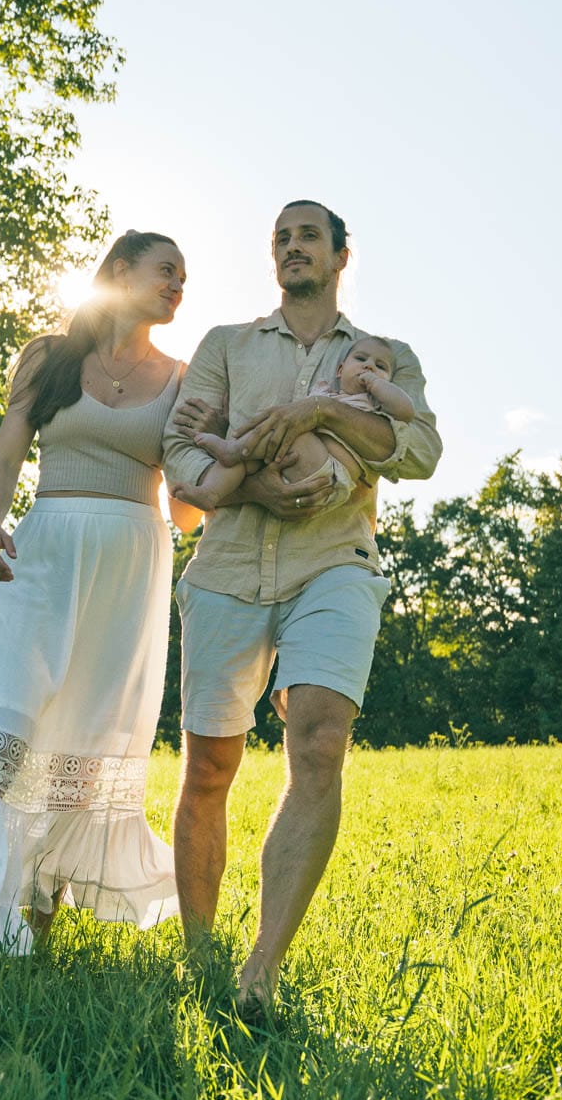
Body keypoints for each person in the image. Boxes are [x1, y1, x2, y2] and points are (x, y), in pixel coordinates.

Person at [0, 230, 198, 993]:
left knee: (80, 761)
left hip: (129, 570)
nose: (178, 286)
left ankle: (33, 958)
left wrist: (238, 477)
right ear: (120, 272)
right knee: (1, 746)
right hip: (42, 559)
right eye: (166, 272)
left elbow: (184, 509)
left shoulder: (183, 381)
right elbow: (9, 449)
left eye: (186, 279)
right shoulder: (49, 358)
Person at [163, 200, 441, 1015]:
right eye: (280, 237)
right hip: (227, 567)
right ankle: (200, 956)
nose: (291, 247)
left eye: (307, 235)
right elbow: (180, 449)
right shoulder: (223, 346)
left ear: (341, 255)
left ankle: (261, 974)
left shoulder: (384, 357)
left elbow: (419, 449)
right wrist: (257, 483)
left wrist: (322, 411)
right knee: (209, 765)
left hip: (336, 564)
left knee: (319, 736)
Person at [170, 334, 415, 514]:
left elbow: (405, 411)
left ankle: (233, 448)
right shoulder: (325, 391)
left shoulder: (373, 403)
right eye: (361, 359)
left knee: (289, 431)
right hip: (296, 460)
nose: (369, 365)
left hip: (330, 474)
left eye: (380, 366)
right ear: (340, 370)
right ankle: (211, 492)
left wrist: (376, 384)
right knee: (254, 456)